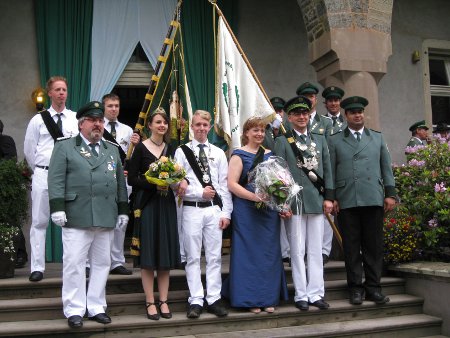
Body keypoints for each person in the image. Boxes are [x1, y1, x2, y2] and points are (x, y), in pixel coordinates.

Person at [48, 101, 128, 328]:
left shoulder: (111, 149)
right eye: (93, 121)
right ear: (81, 124)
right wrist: (57, 207)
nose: (98, 125)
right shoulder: (65, 147)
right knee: (74, 263)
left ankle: (95, 306)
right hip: (76, 214)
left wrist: (123, 209)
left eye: (101, 121)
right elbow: (55, 179)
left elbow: (119, 182)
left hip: (105, 214)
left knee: (102, 263)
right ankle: (74, 308)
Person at [327, 96, 397, 306]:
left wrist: (390, 193)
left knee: (373, 247)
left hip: (373, 198)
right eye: (353, 112)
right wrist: (332, 197)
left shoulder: (376, 137)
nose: (358, 115)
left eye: (360, 112)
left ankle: (374, 288)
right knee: (351, 247)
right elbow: (330, 170)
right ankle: (355, 288)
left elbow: (386, 167)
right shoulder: (335, 139)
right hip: (347, 199)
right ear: (346, 115)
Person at [223, 117, 289, 313]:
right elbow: (232, 184)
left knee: (268, 253)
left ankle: (267, 297)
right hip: (246, 211)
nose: (259, 134)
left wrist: (281, 202)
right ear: (246, 133)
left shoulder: (271, 155)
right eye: (255, 131)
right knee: (248, 254)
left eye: (262, 130)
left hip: (268, 212)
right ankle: (249, 299)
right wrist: (254, 197)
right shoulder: (238, 155)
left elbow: (280, 184)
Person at [274, 96, 334, 311]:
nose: (301, 117)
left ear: (309, 115)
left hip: (316, 200)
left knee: (316, 250)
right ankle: (301, 294)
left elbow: (327, 170)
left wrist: (329, 197)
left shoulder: (319, 139)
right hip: (295, 203)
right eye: (297, 113)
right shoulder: (282, 141)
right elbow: (278, 174)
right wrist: (283, 203)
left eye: (304, 113)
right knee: (297, 251)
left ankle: (316, 293)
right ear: (289, 117)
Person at [174, 110, 232, 319]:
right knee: (192, 257)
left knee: (215, 256)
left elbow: (224, 186)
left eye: (205, 125)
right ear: (192, 126)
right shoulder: (182, 152)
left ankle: (214, 298)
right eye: (197, 124)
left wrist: (226, 212)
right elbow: (175, 183)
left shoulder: (217, 152)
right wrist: (199, 192)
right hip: (191, 208)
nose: (201, 128)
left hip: (213, 211)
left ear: (209, 127)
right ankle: (196, 299)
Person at [127, 108, 181, 320]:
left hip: (166, 204)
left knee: (164, 255)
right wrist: (154, 182)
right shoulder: (140, 148)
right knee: (149, 255)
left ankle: (164, 301)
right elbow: (132, 179)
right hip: (148, 205)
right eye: (158, 122)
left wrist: (174, 181)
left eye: (165, 123)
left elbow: (177, 173)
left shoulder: (171, 148)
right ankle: (150, 301)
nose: (162, 125)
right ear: (149, 125)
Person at [24, 76, 79, 282]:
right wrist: (41, 168)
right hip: (43, 173)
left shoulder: (74, 119)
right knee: (39, 221)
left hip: (69, 175)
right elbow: (29, 149)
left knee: (71, 222)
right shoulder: (38, 120)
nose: (61, 93)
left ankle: (72, 266)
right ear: (50, 93)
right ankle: (37, 267)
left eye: (64, 89)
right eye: (57, 90)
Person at [102, 93, 140, 275]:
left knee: (121, 221)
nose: (114, 109)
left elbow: (132, 158)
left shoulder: (127, 130)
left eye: (116, 105)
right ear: (104, 107)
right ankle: (99, 261)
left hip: (122, 181)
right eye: (110, 106)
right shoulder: (97, 127)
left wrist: (136, 145)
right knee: (102, 221)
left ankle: (117, 261)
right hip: (102, 180)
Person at [321, 85, 346, 264]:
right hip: (327, 171)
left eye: (336, 100)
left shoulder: (348, 123)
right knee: (327, 213)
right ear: (325, 103)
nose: (333, 103)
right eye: (330, 100)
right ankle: (325, 251)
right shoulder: (321, 123)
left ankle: (349, 250)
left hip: (344, 172)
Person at [0, 120, 29, 268]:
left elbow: (9, 160)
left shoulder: (5, 140)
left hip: (4, 189)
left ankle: (20, 254)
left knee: (10, 222)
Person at [266, 97, 290, 264]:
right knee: (275, 215)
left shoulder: (287, 131)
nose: (277, 113)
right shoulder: (264, 131)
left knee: (288, 215)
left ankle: (289, 251)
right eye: (274, 110)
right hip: (268, 177)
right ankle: (281, 252)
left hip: (287, 178)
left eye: (280, 110)